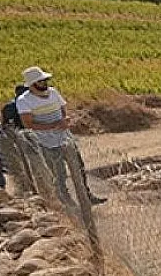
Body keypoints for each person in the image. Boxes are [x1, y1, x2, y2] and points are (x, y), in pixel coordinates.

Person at [16, 66, 106, 206]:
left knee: (79, 169)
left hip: (65, 138)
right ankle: (66, 202)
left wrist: (65, 121)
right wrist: (52, 126)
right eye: (41, 81)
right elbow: (28, 124)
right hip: (46, 143)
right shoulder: (24, 101)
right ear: (32, 85)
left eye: (45, 80)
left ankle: (86, 197)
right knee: (59, 174)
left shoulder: (53, 92)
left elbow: (63, 111)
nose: (45, 83)